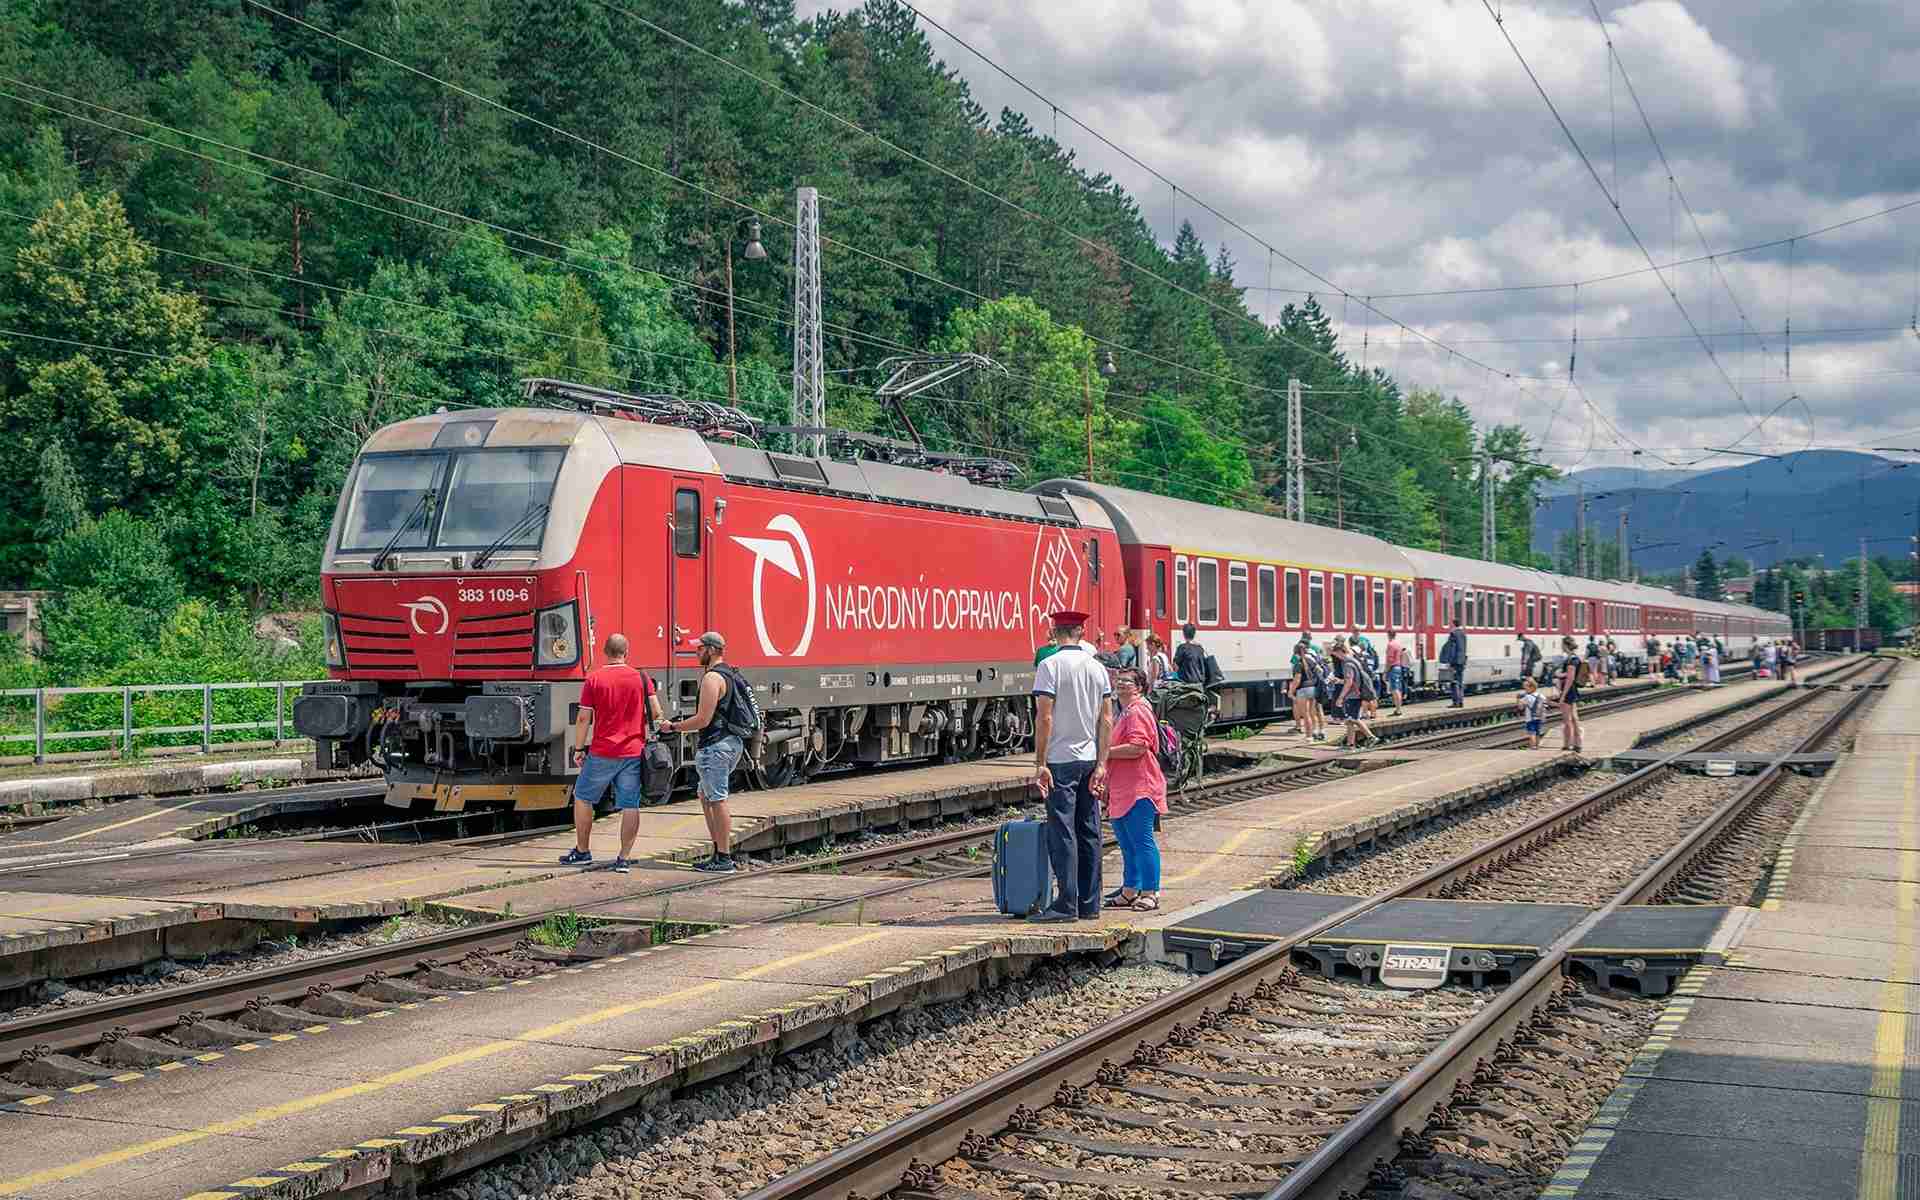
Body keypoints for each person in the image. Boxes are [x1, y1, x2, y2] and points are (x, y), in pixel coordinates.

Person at [1030, 610, 1114, 923]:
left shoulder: (1048, 666)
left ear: (1054, 631)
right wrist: (1102, 763)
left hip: (1060, 760)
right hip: (1089, 759)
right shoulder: (1097, 669)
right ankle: (1090, 904)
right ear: (1081, 631)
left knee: (1062, 831)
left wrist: (1040, 763)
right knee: (1089, 830)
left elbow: (1045, 717)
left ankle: (1066, 903)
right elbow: (1106, 719)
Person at [560, 633, 666, 873]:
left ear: (605, 653)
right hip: (632, 752)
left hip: (602, 752)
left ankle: (583, 851)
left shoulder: (594, 679)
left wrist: (578, 749)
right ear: (626, 653)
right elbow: (657, 712)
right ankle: (624, 859)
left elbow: (583, 717)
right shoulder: (641, 677)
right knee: (630, 805)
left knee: (583, 797)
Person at [658, 631, 752, 873]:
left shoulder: (712, 678)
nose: (696, 652)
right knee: (707, 796)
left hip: (716, 746)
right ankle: (718, 853)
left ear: (711, 649)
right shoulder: (730, 674)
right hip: (727, 744)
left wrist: (674, 726)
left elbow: (703, 719)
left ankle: (724, 858)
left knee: (717, 799)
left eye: (699, 649)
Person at [1102, 668, 1165, 912]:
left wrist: (1104, 753)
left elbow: (1138, 747)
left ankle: (1150, 891)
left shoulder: (1138, 711)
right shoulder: (1125, 711)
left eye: (1127, 681)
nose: (1120, 684)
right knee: (1127, 843)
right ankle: (1130, 889)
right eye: (1118, 680)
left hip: (1140, 787)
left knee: (1142, 842)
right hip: (1123, 787)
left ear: (1138, 687)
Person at [1331, 642, 1379, 749]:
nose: (1336, 657)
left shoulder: (1347, 664)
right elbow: (1352, 680)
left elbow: (1349, 682)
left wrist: (1341, 697)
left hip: (1353, 695)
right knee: (1349, 721)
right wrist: (1339, 681)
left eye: (1336, 654)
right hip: (1356, 693)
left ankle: (1371, 737)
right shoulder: (1355, 661)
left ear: (1340, 652)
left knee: (1353, 718)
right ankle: (1350, 744)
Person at [1556, 635, 1584, 753]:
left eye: (1562, 644)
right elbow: (1568, 675)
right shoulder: (1573, 658)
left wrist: (1563, 695)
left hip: (1569, 690)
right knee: (1574, 718)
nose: (1561, 647)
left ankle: (1567, 744)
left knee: (1567, 720)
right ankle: (1577, 744)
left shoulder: (1571, 660)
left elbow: (1570, 678)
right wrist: (1561, 674)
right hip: (1572, 690)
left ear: (1566, 645)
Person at [1440, 619, 1468, 707]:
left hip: (1455, 661)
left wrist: (1449, 661)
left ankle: (1456, 702)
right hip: (1462, 661)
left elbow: (1452, 649)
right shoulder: (1463, 634)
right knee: (1460, 681)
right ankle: (1461, 701)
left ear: (1453, 625)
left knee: (1454, 682)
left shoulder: (1453, 634)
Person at [1385, 632, 1410, 716]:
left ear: (1388, 635)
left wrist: (1385, 671)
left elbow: (1390, 660)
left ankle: (1398, 710)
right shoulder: (1398, 644)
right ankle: (1398, 709)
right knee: (1398, 688)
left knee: (1394, 689)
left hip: (1393, 668)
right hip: (1399, 667)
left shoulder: (1390, 645)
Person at [1517, 676, 1545, 749]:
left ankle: (1532, 747)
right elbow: (1545, 704)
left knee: (1532, 733)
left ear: (1531, 688)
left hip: (1530, 719)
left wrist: (1518, 699)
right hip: (1539, 718)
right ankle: (1537, 746)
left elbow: (1520, 707)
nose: (1525, 690)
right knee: (1538, 733)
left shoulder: (1527, 697)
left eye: (1525, 688)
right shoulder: (1540, 695)